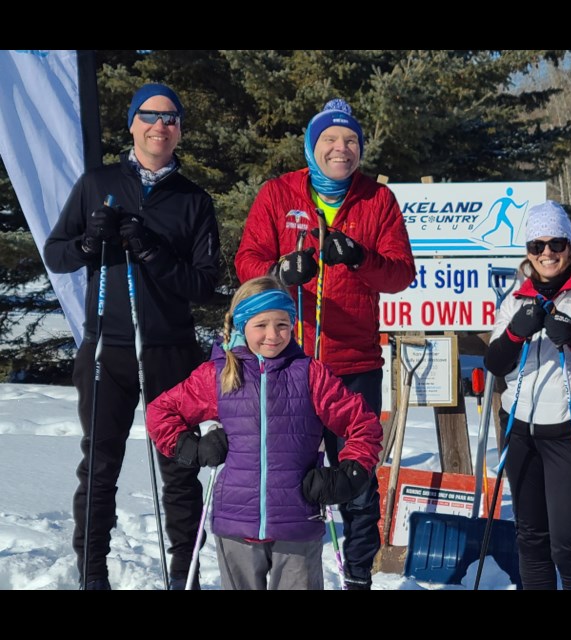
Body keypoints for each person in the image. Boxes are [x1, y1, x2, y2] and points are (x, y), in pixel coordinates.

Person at [42, 83, 222, 590]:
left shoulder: (193, 200)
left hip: (170, 351)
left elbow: (206, 285)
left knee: (180, 467)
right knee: (99, 466)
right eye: (149, 116)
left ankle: (183, 576)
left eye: (170, 118)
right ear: (132, 124)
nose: (159, 126)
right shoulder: (97, 182)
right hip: (107, 350)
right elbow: (56, 255)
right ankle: (92, 574)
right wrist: (87, 242)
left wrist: (151, 252)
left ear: (180, 130)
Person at [234, 98, 415, 589]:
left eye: (351, 141)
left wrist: (359, 258)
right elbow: (246, 257)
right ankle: (287, 571)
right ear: (313, 147)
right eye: (331, 140)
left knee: (356, 477)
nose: (342, 149)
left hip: (353, 363)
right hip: (288, 360)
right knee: (285, 473)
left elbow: (401, 274)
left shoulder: (377, 201)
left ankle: (358, 575)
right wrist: (277, 274)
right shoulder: (279, 193)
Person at [146, 277, 383, 590]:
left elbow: (363, 423)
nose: (273, 335)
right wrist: (192, 448)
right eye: (261, 325)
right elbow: (161, 413)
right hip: (235, 523)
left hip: (298, 522)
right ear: (242, 325)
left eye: (283, 324)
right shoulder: (218, 375)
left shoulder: (310, 374)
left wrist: (350, 472)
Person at [483, 201, 571, 590]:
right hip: (521, 433)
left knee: (569, 546)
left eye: (556, 243)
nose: (546, 253)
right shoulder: (515, 300)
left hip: (569, 435)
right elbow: (495, 364)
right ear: (527, 251)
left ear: (569, 246)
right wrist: (515, 332)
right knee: (531, 540)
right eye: (537, 245)